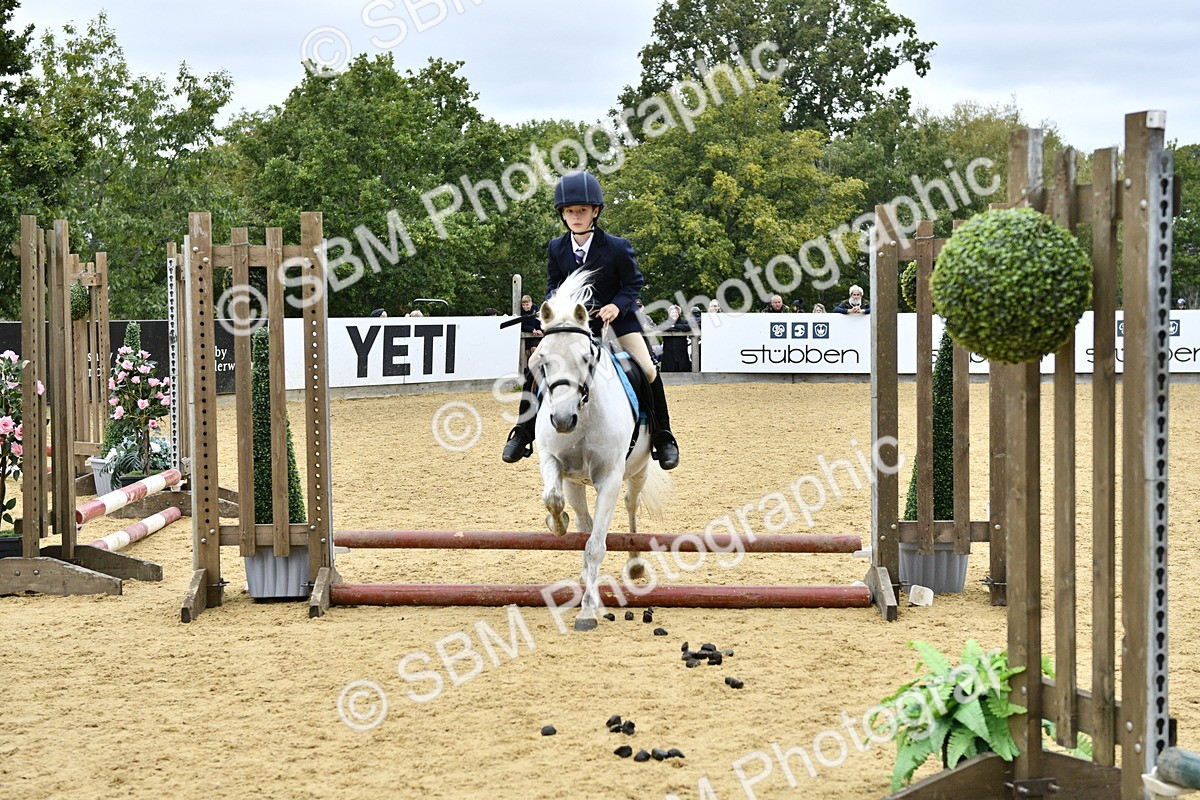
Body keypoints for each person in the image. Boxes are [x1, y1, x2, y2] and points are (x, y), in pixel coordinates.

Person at [501, 171, 680, 469]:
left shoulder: (617, 247)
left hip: (616, 322)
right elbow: (553, 285)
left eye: (582, 210)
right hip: (573, 324)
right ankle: (523, 431)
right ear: (562, 214)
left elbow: (633, 283)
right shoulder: (556, 247)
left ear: (595, 211)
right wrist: (553, 308)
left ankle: (663, 436)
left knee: (648, 368)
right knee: (534, 363)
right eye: (570, 211)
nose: (576, 216)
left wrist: (616, 306)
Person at [659, 305, 693, 373]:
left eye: (676, 312)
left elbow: (688, 327)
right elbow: (661, 327)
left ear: (679, 314)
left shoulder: (684, 322)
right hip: (668, 351)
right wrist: (677, 328)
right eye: (672, 312)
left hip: (681, 351)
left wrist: (674, 326)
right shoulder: (666, 322)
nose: (674, 314)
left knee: (683, 369)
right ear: (669, 314)